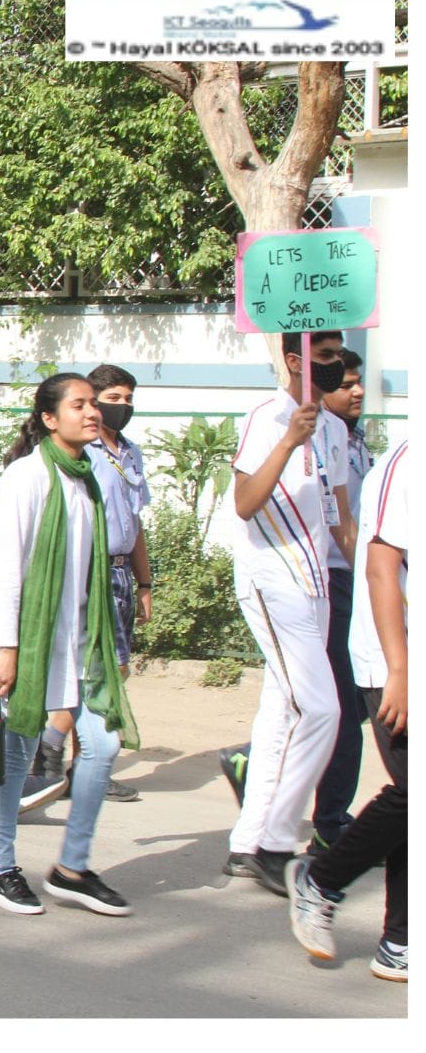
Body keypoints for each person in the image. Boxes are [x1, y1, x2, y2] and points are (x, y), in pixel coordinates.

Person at [0, 374, 140, 916]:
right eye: (80, 405)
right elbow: (6, 566)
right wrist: (5, 646)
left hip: (84, 639)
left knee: (103, 746)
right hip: (34, 640)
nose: (93, 413)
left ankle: (72, 867)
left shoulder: (87, 477)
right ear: (50, 419)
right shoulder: (26, 477)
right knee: (18, 754)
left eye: (94, 404)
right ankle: (0, 867)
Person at [223, 331, 354, 893]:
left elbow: (340, 519)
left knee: (281, 710)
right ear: (296, 360)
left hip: (316, 582)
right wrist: (288, 441)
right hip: (272, 578)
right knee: (321, 708)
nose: (336, 366)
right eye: (325, 357)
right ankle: (277, 842)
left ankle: (246, 841)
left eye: (339, 356)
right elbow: (245, 504)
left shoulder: (335, 429)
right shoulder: (267, 417)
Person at [287, 437, 409, 982]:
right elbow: (381, 566)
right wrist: (399, 671)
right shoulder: (409, 462)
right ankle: (321, 881)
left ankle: (400, 941)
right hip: (395, 660)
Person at [20, 364, 150, 809]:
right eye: (109, 399)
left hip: (120, 572)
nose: (118, 408)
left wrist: (144, 581)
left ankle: (75, 763)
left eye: (126, 399)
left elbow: (135, 520)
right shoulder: (78, 455)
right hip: (89, 574)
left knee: (112, 669)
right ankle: (53, 755)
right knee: (97, 671)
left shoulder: (128, 453)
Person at [310, 348, 375, 852]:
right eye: (346, 383)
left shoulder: (354, 439)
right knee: (345, 707)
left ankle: (251, 759)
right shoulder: (317, 436)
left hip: (355, 577)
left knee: (352, 703)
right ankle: (330, 824)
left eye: (358, 382)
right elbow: (339, 520)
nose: (356, 391)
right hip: (332, 579)